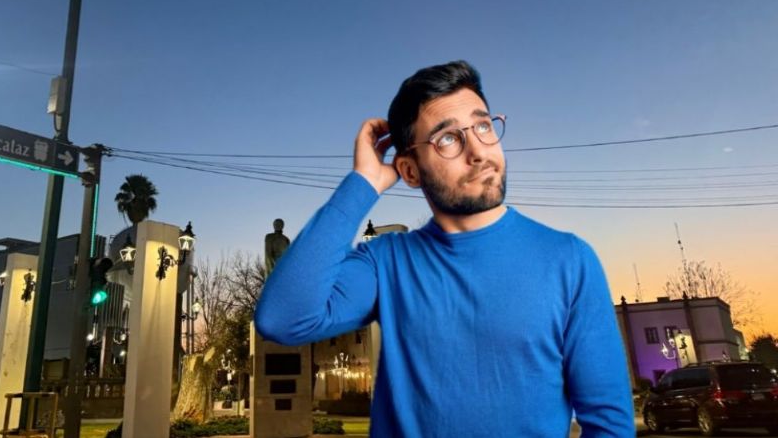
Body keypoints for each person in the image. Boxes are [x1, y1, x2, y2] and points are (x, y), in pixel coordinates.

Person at [255, 60, 634, 437]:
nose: (478, 151)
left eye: (483, 126)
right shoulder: (386, 262)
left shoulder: (570, 260)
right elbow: (282, 319)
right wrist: (363, 183)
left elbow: (609, 424)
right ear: (410, 171)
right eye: (448, 138)